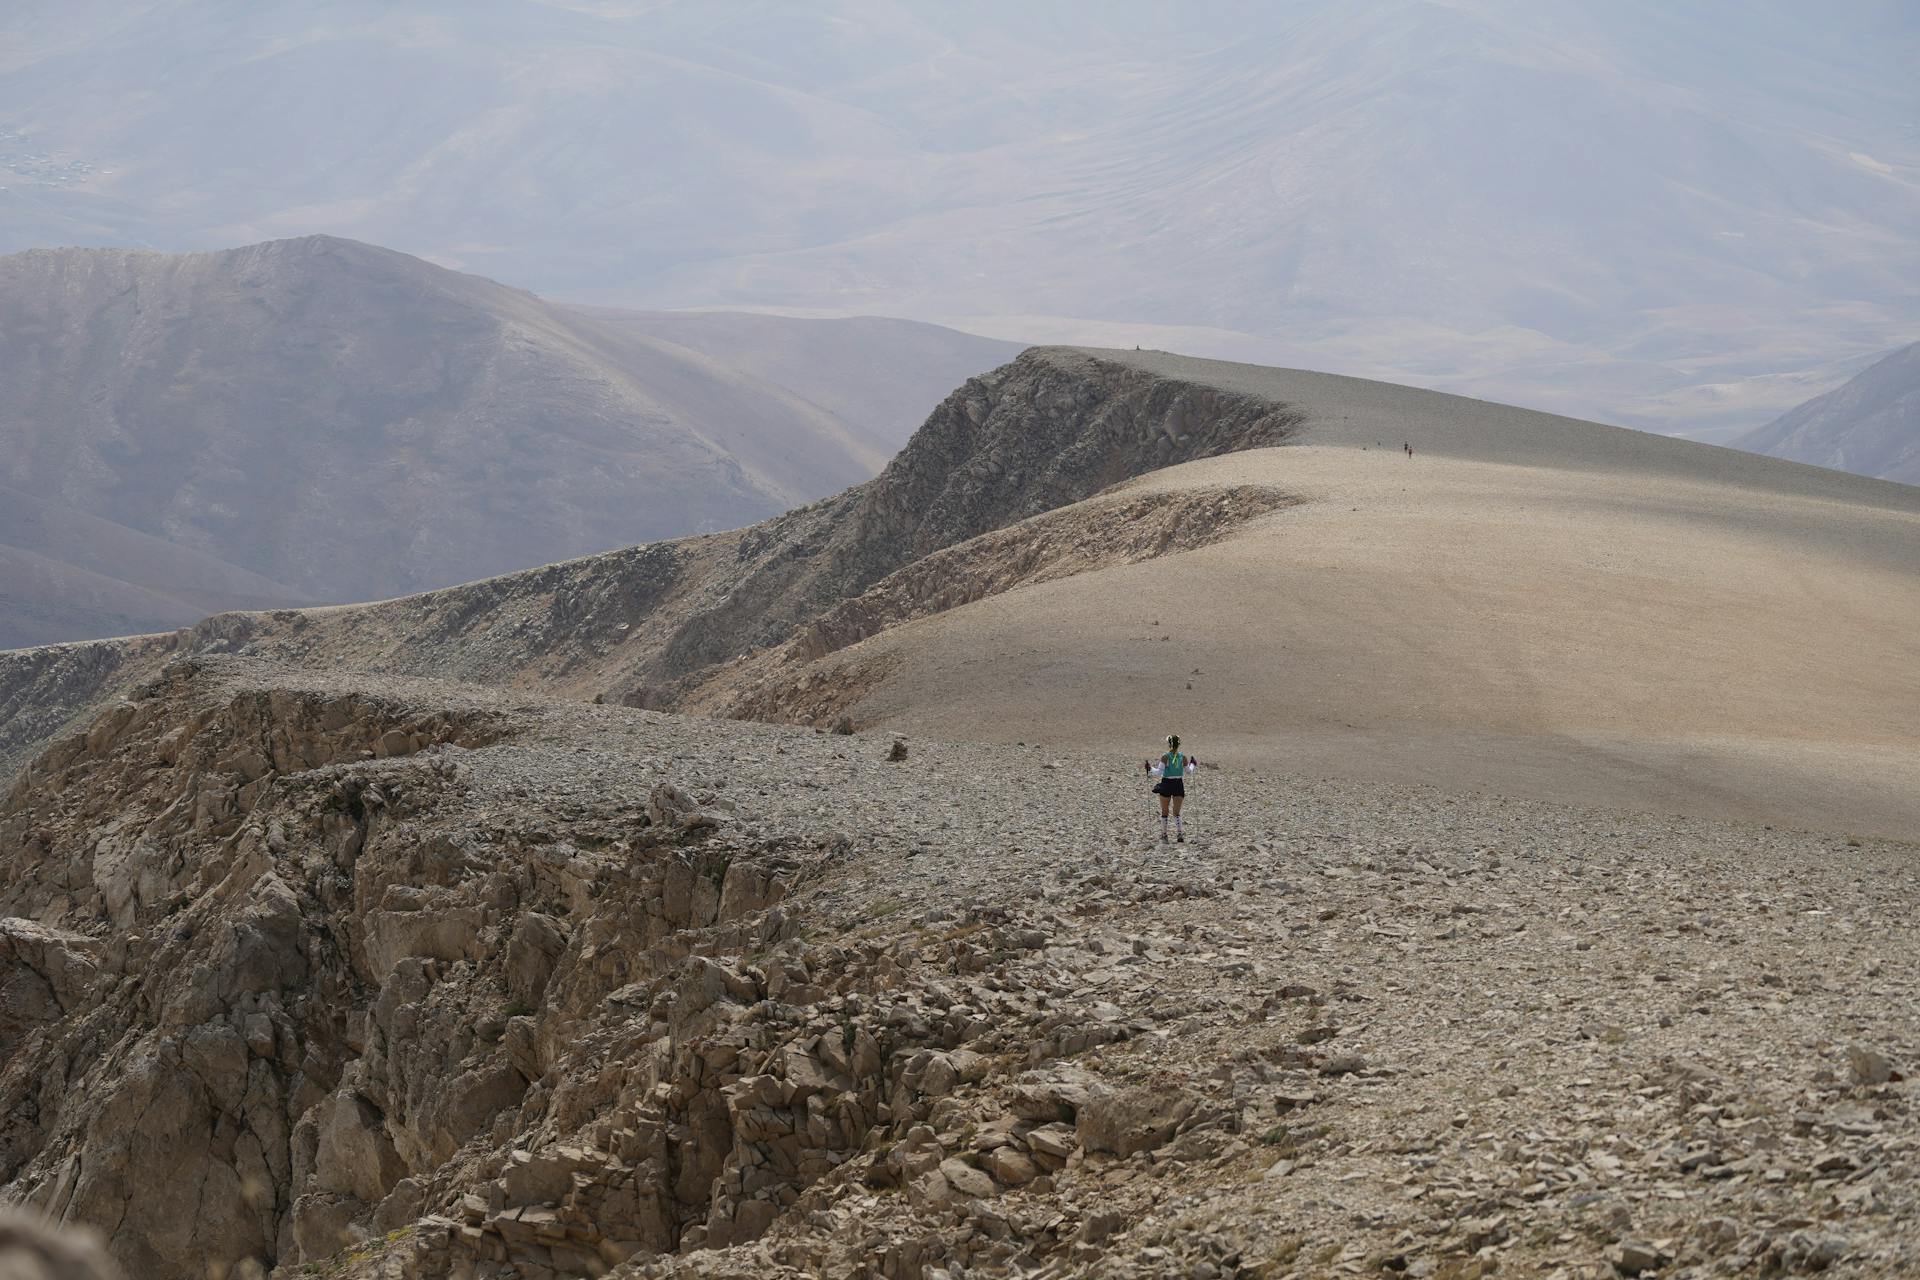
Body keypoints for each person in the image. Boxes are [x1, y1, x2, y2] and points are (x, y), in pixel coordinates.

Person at [1144, 733, 1192, 842]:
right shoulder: (1183, 757)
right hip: (1178, 785)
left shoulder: (1165, 756)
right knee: (1176, 812)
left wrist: (1149, 768)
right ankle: (1180, 834)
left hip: (1166, 784)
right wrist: (1193, 764)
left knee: (1164, 811)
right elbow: (1189, 771)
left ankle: (1164, 835)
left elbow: (1158, 773)